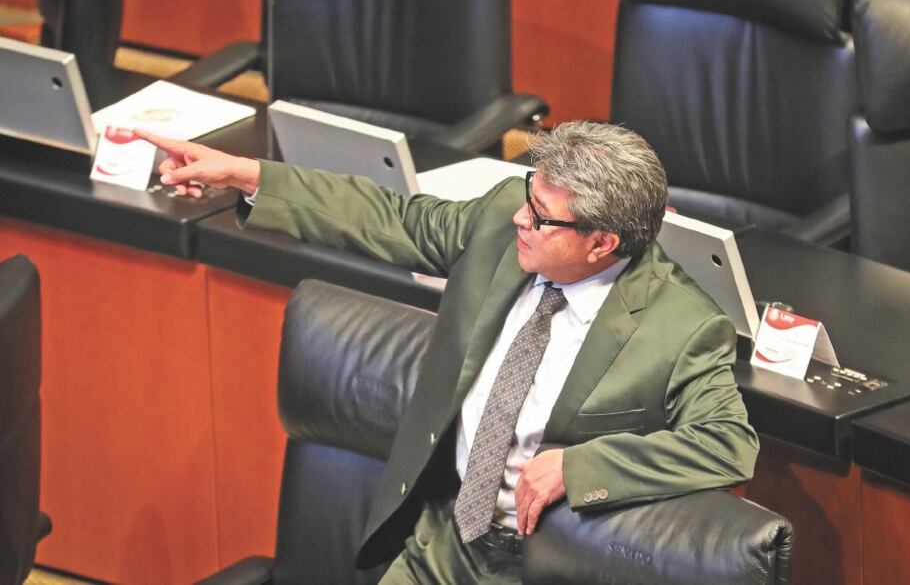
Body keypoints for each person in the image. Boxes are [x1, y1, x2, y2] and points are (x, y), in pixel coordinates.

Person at [138, 121, 759, 584]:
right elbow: (390, 219)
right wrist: (246, 176)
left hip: (544, 567)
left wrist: (582, 468)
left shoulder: (682, 327)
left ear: (602, 242)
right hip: (442, 540)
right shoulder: (499, 225)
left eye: (541, 217)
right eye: (527, 195)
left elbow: (728, 441)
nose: (519, 218)